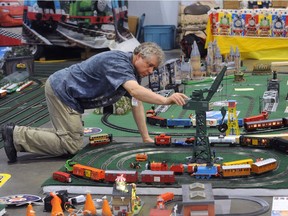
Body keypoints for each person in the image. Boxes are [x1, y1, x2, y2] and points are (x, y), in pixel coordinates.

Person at [1, 42, 188, 163]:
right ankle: (16, 135)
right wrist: (165, 99)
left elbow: (136, 102)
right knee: (71, 145)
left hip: (70, 95)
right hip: (63, 91)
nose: (150, 71)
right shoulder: (118, 63)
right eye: (149, 65)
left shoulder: (131, 72)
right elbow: (135, 91)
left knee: (70, 137)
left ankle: (17, 135)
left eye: (154, 68)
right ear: (138, 56)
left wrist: (145, 137)